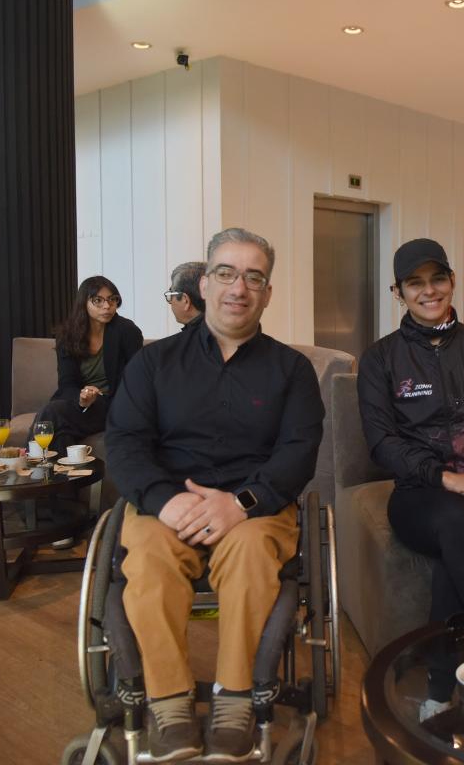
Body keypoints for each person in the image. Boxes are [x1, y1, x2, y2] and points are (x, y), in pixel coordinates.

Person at [106, 228, 324, 762]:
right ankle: (170, 701)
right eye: (226, 273)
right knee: (150, 561)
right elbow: (126, 443)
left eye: (254, 277)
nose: (239, 288)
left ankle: (235, 699)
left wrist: (240, 503)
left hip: (256, 508)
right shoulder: (153, 364)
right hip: (167, 502)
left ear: (267, 292)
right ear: (204, 283)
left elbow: (298, 452)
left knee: (251, 556)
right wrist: (165, 500)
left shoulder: (292, 371)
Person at [357, 238, 464, 719]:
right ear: (399, 292)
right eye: (415, 283)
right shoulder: (380, 359)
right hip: (418, 497)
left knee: (457, 547)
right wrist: (448, 479)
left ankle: (438, 685)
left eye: (437, 279)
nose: (428, 291)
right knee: (452, 520)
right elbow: (382, 443)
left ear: (452, 280)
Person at [33, 276, 143, 454]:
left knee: (52, 412)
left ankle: (29, 468)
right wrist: (82, 398)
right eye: (98, 301)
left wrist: (97, 399)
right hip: (78, 404)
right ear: (84, 302)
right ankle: (65, 480)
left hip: (113, 405)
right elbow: (66, 384)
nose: (107, 306)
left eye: (112, 299)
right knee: (61, 433)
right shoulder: (68, 335)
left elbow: (135, 382)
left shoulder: (127, 331)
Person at [164, 261, 206, 327]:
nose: (171, 301)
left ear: (185, 300)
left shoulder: (187, 337)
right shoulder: (224, 332)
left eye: (171, 294)